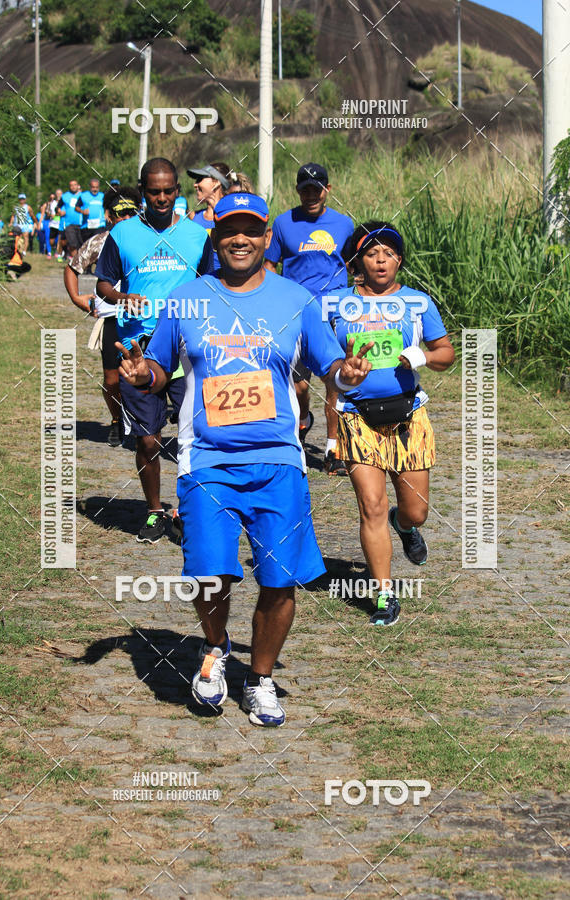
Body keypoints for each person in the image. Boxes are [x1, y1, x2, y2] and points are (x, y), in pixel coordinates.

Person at [116, 192, 373, 726]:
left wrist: (347, 374)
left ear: (265, 239)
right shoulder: (187, 298)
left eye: (251, 230)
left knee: (279, 580)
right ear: (216, 236)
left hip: (278, 459)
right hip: (206, 460)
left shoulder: (295, 299)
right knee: (210, 574)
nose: (240, 239)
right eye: (230, 229)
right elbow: (160, 367)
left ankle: (259, 679)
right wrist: (145, 375)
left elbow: (331, 365)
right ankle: (214, 650)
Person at [332, 222, 455, 625]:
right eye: (371, 253)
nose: (380, 260)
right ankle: (385, 597)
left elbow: (445, 353)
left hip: (407, 415)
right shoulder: (335, 305)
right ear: (358, 261)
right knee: (371, 506)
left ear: (399, 259)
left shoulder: (418, 302)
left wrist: (422, 357)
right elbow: (323, 361)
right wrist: (341, 375)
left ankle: (404, 529)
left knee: (415, 511)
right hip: (357, 416)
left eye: (388, 253)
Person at [95, 158, 214, 543]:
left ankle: (187, 509)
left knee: (193, 435)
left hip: (185, 349)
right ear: (142, 191)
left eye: (168, 191)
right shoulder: (124, 234)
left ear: (177, 191)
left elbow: (212, 285)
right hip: (137, 351)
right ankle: (153, 511)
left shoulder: (198, 236)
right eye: (153, 191)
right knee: (148, 438)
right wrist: (120, 295)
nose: (161, 198)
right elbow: (102, 284)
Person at [264, 163, 354, 476]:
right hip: (296, 315)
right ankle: (303, 420)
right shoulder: (283, 223)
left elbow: (353, 265)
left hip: (333, 315)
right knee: (299, 386)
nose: (311, 195)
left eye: (317, 189)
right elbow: (270, 265)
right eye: (305, 189)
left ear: (328, 190)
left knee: (335, 382)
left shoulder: (344, 225)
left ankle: (333, 449)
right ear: (298, 190)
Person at [64, 186, 142, 447]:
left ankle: (144, 423)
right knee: (112, 379)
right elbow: (73, 267)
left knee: (147, 372)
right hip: (112, 318)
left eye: (133, 211)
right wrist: (77, 298)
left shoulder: (151, 239)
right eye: (121, 213)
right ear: (109, 215)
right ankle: (117, 419)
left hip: (145, 318)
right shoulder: (99, 241)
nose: (127, 217)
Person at [186, 162, 237, 268]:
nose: (195, 185)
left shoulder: (233, 216)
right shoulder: (194, 217)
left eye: (200, 179)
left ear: (216, 183)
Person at [76, 178, 106, 246]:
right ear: (90, 187)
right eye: (93, 187)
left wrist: (107, 214)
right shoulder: (83, 195)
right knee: (87, 246)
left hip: (100, 225)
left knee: (97, 245)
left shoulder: (102, 196)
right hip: (86, 226)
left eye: (97, 187)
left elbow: (107, 207)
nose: (95, 189)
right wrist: (82, 211)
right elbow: (76, 207)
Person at [57, 179, 83, 256]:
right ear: (69, 186)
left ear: (78, 185)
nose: (73, 187)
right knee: (72, 244)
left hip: (81, 223)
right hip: (69, 223)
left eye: (75, 185)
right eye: (71, 185)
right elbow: (57, 207)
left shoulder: (82, 195)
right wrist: (59, 211)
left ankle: (79, 262)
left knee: (81, 244)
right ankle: (75, 262)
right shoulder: (65, 196)